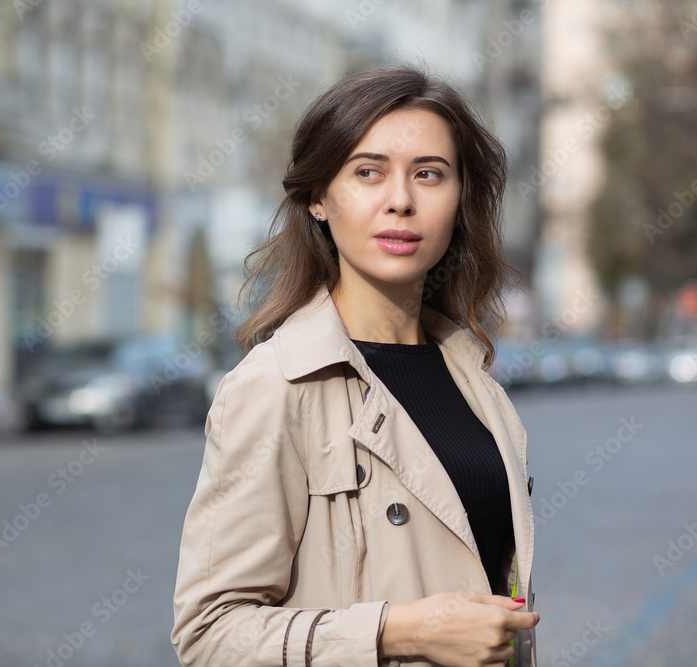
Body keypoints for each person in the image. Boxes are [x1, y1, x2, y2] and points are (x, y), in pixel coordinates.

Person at [171, 65, 539, 667]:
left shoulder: (476, 382)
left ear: (459, 198)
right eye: (368, 172)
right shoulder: (278, 386)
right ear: (318, 198)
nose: (401, 200)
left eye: (429, 174)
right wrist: (398, 633)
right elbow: (209, 636)